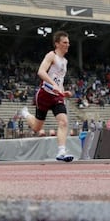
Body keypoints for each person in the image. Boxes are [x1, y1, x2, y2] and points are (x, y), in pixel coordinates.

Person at [20, 31, 75, 162]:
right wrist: (53, 85)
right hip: (44, 94)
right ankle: (25, 114)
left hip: (56, 97)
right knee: (37, 128)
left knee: (63, 122)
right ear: (57, 44)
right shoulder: (51, 55)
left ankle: (61, 151)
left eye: (68, 42)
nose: (68, 44)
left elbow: (59, 81)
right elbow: (41, 72)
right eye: (65, 42)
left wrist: (63, 93)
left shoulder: (65, 61)